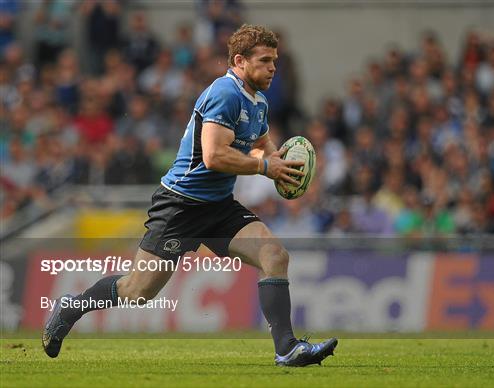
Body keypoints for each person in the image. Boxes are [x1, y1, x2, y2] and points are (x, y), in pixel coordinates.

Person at [42, 24, 338, 367]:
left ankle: (286, 348)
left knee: (275, 255)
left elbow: (260, 143)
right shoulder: (225, 93)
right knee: (138, 292)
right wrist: (264, 168)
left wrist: (280, 163)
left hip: (218, 206)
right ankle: (71, 307)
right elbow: (214, 156)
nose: (273, 67)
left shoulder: (258, 101)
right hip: (180, 205)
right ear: (240, 61)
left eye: (275, 61)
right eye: (266, 60)